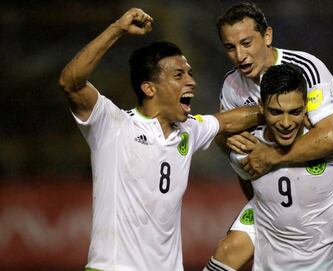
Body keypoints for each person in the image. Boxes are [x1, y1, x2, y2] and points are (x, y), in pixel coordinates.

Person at [58, 8, 262, 271]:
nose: (192, 82)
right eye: (179, 75)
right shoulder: (114, 124)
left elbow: (229, 120)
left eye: (190, 73)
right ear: (149, 88)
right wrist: (117, 29)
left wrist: (280, 110)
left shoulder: (187, 129)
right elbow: (71, 83)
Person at [204, 2, 333, 271]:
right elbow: (233, 147)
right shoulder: (231, 86)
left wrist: (270, 156)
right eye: (230, 47)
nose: (240, 55)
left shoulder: (305, 67)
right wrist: (233, 143)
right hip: (285, 185)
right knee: (228, 250)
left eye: (247, 43)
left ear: (268, 36)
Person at [228, 63, 333, 270]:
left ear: (306, 107)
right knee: (227, 251)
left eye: (295, 112)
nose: (285, 123)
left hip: (331, 262)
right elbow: (245, 177)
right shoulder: (246, 149)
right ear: (262, 107)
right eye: (276, 112)